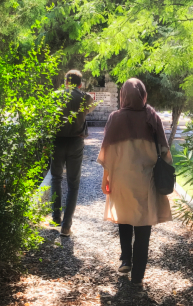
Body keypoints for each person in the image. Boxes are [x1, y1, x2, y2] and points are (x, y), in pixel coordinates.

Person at [97, 78, 172, 286]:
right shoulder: (152, 116)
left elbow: (108, 155)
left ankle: (126, 259)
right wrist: (166, 174)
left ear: (123, 96)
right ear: (143, 95)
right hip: (145, 181)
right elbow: (165, 152)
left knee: (124, 218)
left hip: (121, 180)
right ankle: (138, 275)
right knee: (143, 226)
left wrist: (106, 179)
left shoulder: (114, 118)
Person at [51, 70, 94, 236]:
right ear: (80, 83)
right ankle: (66, 226)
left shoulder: (55, 96)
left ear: (65, 82)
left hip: (57, 141)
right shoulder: (86, 97)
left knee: (56, 178)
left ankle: (55, 217)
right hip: (76, 142)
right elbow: (88, 111)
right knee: (73, 184)